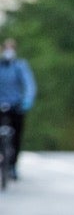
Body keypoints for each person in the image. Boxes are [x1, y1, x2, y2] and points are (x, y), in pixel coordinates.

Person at [0, 39, 36, 182]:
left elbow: (29, 85)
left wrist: (27, 101)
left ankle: (13, 164)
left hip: (16, 105)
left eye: (11, 48)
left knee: (16, 134)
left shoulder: (20, 66)